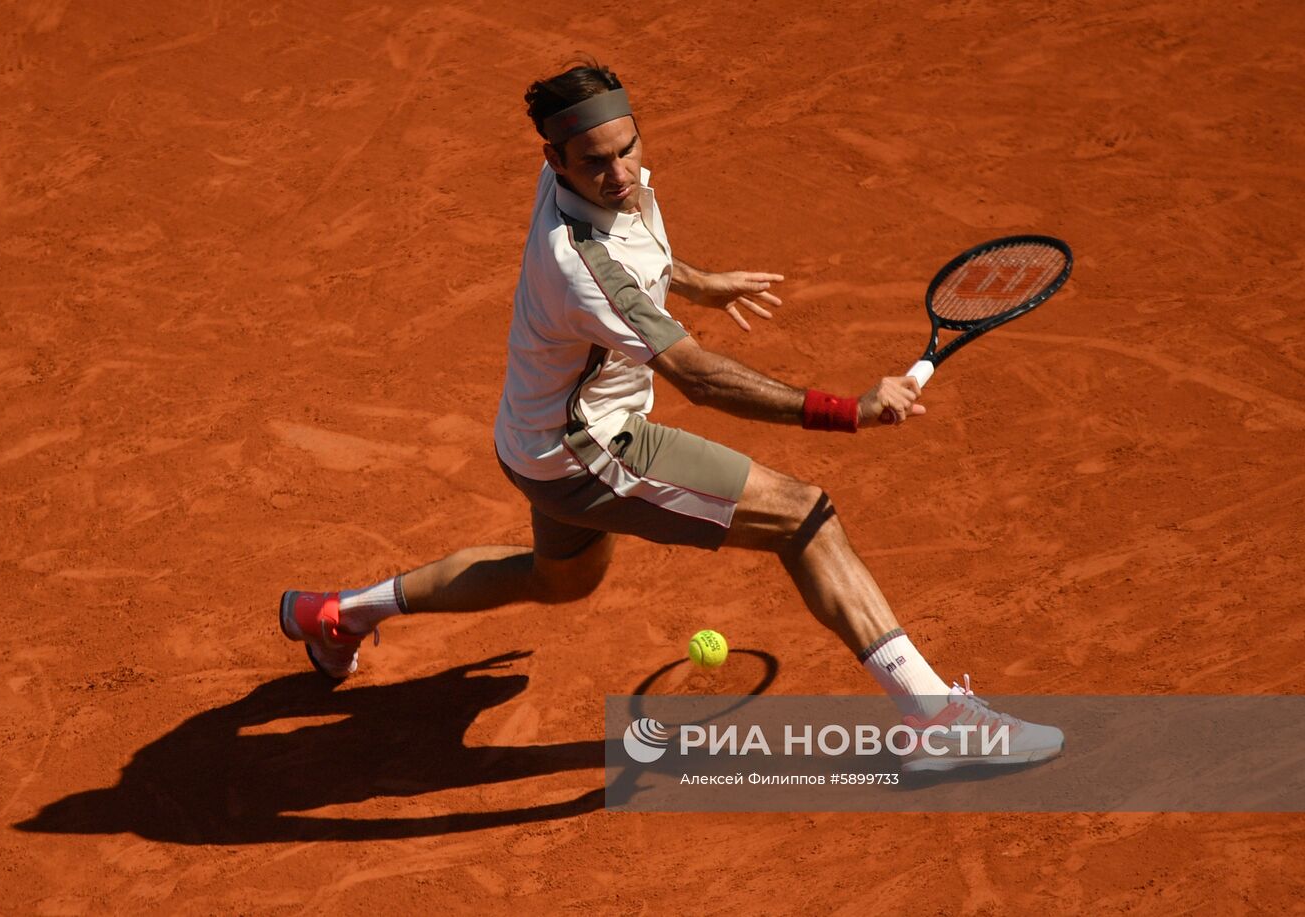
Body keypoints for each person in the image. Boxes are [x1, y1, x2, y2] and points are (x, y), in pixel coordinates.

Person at [280, 61, 1062, 771]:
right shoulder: (581, 267)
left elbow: (636, 252)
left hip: (530, 440)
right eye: (595, 161)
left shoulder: (585, 176)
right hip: (595, 447)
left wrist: (693, 280)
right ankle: (933, 715)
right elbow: (698, 375)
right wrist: (848, 410)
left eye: (627, 148)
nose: (618, 172)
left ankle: (337, 614)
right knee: (805, 518)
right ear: (553, 160)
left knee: (558, 582)